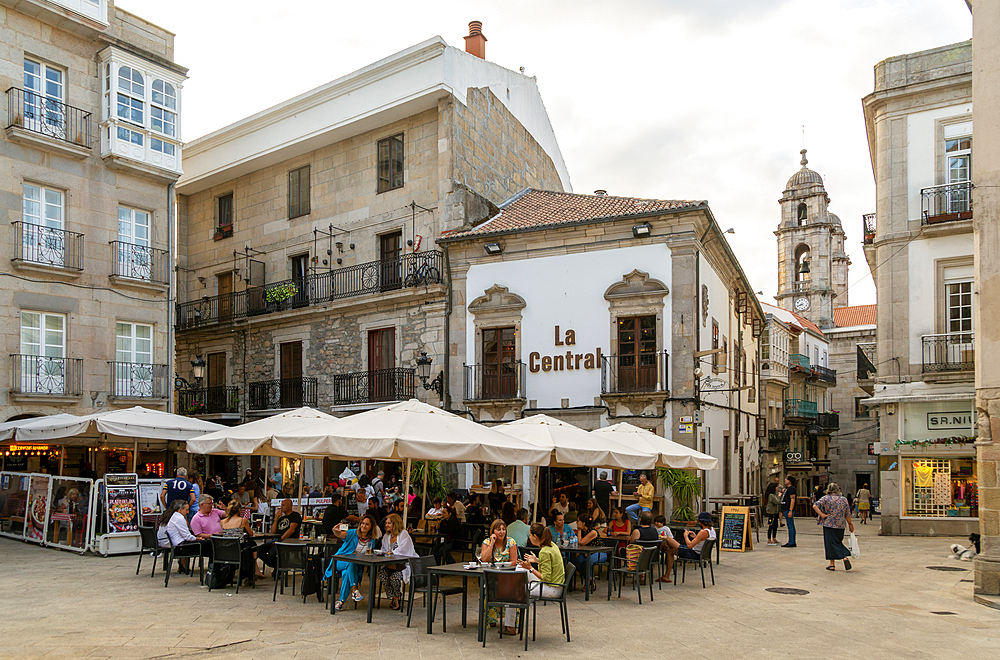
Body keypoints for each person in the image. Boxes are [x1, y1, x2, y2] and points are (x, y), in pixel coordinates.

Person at [513, 524, 565, 635]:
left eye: (530, 535)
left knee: (517, 589)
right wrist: (536, 560)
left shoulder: (545, 551)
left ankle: (510, 624)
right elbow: (550, 565)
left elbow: (546, 577)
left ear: (535, 536)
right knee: (520, 568)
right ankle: (511, 622)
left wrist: (530, 568)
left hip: (552, 588)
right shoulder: (551, 545)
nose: (529, 538)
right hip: (555, 585)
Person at [329, 513, 377, 611]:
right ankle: (355, 589)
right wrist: (335, 531)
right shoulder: (353, 533)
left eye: (367, 524)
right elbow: (341, 534)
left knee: (347, 573)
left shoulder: (371, 541)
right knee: (350, 562)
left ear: (371, 527)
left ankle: (340, 602)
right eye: (362, 523)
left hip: (354, 566)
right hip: (340, 561)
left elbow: (368, 556)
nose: (363, 526)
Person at [481, 518, 520, 628]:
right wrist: (492, 543)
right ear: (493, 531)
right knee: (488, 588)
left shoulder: (510, 542)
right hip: (492, 575)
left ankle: (511, 622)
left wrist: (504, 566)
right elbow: (484, 559)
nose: (502, 532)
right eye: (499, 529)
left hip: (507, 575)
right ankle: (491, 619)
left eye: (503, 529)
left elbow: (513, 561)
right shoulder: (487, 542)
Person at [377, 513, 417, 611]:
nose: (386, 525)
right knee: (382, 574)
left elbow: (403, 550)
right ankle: (395, 596)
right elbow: (383, 549)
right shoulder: (386, 536)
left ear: (395, 524)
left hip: (403, 565)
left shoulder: (403, 534)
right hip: (391, 564)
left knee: (395, 576)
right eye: (386, 523)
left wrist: (390, 553)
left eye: (389, 523)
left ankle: (396, 598)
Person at [219, 497, 265, 580]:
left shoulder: (222, 522)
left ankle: (252, 572)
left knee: (250, 546)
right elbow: (251, 534)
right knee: (252, 546)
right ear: (239, 509)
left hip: (226, 550)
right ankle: (251, 573)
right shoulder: (242, 520)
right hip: (239, 550)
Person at [156, 499, 208, 573]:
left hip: (165, 541)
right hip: (175, 545)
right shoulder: (179, 518)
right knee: (207, 543)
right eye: (186, 510)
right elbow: (187, 536)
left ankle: (183, 565)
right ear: (180, 510)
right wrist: (197, 538)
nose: (188, 512)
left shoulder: (169, 516)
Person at [813, 482, 855, 571]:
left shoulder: (825, 498)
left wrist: (822, 515)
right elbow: (847, 513)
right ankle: (831, 564)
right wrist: (850, 524)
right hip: (841, 524)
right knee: (837, 541)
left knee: (830, 544)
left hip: (829, 524)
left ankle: (844, 557)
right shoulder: (843, 499)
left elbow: (815, 506)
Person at [573, 514, 609, 592]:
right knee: (577, 561)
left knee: (588, 561)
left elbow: (581, 542)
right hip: (587, 553)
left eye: (578, 521)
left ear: (583, 523)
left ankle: (588, 581)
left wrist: (579, 530)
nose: (576, 522)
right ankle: (590, 579)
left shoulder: (593, 532)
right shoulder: (583, 531)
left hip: (600, 553)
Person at [652, 515, 675, 582]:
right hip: (657, 544)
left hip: (665, 543)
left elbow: (671, 537)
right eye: (656, 522)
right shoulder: (654, 528)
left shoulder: (666, 528)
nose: (657, 524)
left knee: (665, 543)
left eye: (659, 522)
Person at [780, 477, 797, 547]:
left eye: (786, 479)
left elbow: (792, 499)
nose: (785, 480)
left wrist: (790, 510)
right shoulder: (788, 489)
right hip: (786, 509)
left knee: (790, 526)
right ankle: (792, 541)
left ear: (790, 481)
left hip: (788, 509)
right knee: (791, 525)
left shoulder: (791, 489)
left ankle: (791, 542)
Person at [764, 481, 781, 546]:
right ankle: (769, 539)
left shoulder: (774, 494)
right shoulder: (771, 495)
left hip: (775, 512)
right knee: (771, 525)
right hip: (771, 513)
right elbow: (777, 502)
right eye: (776, 487)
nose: (777, 488)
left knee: (775, 525)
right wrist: (779, 496)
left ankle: (774, 538)